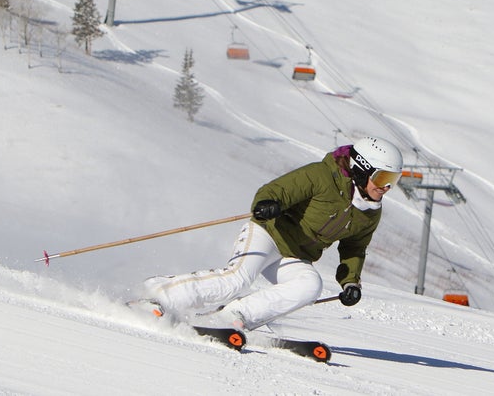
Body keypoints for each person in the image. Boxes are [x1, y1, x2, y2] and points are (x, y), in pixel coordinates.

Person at [138, 136, 404, 330]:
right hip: (269, 232)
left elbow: (354, 248)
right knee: (236, 280)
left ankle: (235, 315)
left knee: (310, 285)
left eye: (392, 181)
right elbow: (276, 190)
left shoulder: (370, 211)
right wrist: (267, 204)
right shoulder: (322, 176)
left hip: (296, 254)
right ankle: (160, 294)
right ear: (361, 168)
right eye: (382, 179)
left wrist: (350, 282)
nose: (386, 188)